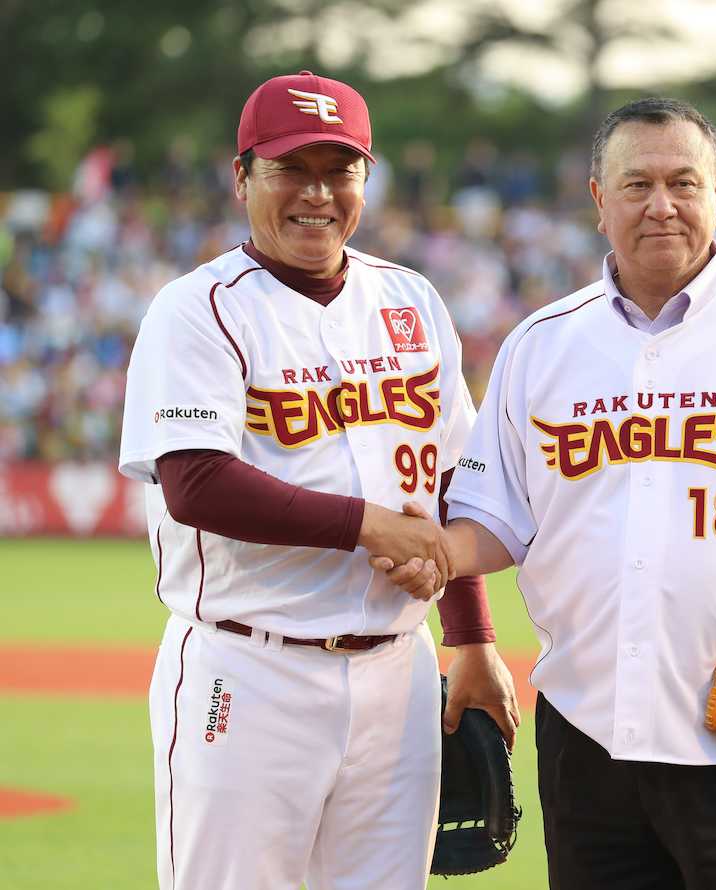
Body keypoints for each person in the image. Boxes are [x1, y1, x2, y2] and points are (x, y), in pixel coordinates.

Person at [375, 98, 716, 889]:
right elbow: (496, 520)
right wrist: (432, 550)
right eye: (637, 184)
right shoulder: (542, 344)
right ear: (600, 201)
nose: (661, 205)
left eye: (683, 182)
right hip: (588, 739)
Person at [118, 70, 518, 890]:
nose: (317, 194)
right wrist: (371, 526)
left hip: (397, 675)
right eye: (290, 168)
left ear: (367, 179)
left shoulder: (410, 297)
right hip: (249, 670)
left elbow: (446, 483)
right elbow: (197, 483)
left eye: (339, 170)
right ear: (241, 178)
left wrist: (471, 638)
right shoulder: (199, 309)